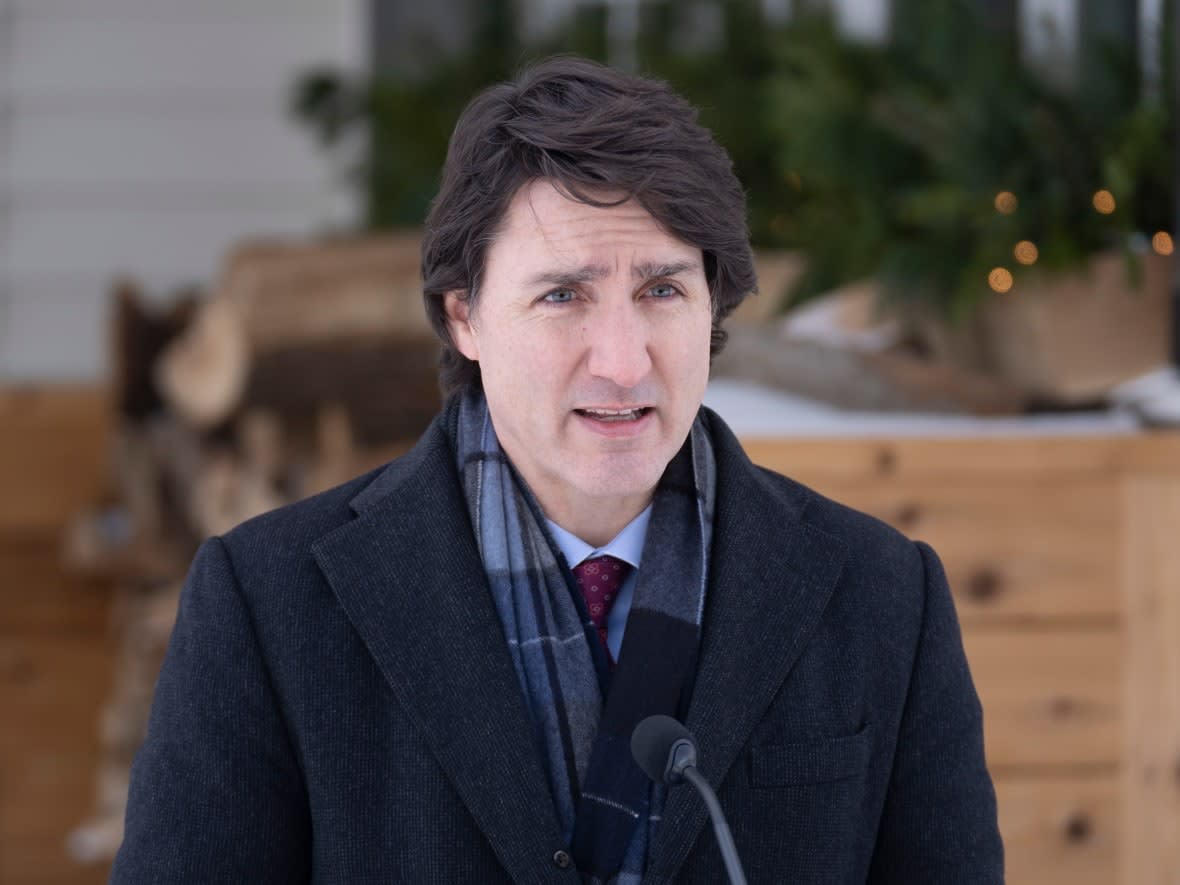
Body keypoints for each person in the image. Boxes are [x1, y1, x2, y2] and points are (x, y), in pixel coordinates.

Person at [112, 56, 1003, 884]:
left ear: (713, 306)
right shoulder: (267, 607)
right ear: (465, 317)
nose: (622, 360)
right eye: (562, 295)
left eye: (662, 290)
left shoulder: (883, 598)